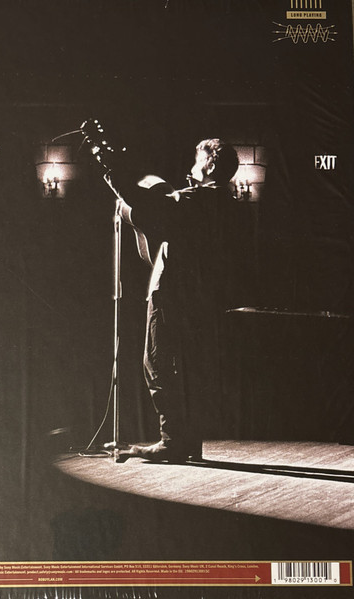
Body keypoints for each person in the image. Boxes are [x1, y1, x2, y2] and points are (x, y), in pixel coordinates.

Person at [111, 139, 241, 462]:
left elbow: (147, 206)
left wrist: (116, 177)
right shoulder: (224, 201)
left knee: (157, 362)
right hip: (200, 297)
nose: (192, 167)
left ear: (211, 165)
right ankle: (189, 443)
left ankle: (171, 441)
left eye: (198, 160)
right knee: (187, 369)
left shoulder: (197, 198)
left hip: (173, 293)